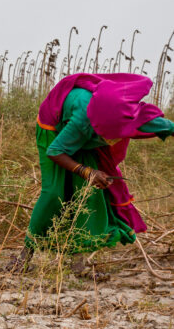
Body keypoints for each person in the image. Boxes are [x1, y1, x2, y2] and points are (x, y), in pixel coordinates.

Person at [9, 73, 174, 277]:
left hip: (84, 133)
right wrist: (86, 171)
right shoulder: (82, 123)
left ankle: (78, 265)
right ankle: (23, 257)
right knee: (54, 193)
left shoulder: (130, 117)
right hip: (54, 128)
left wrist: (88, 176)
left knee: (89, 195)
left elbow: (168, 127)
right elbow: (55, 151)